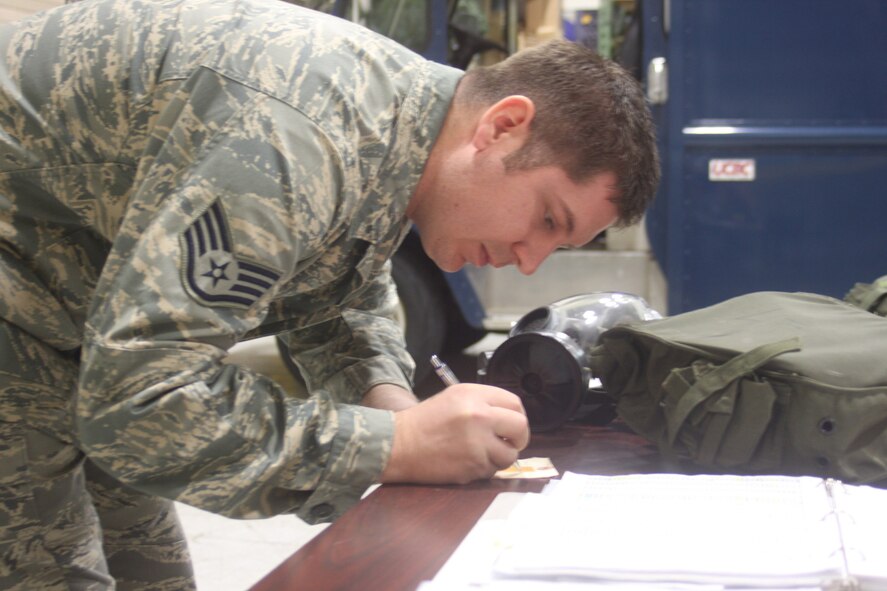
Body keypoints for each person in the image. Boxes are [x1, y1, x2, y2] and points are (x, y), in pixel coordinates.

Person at [0, 0, 659, 588]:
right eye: (546, 218)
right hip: (18, 290)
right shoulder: (290, 138)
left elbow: (337, 288)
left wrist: (394, 407)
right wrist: (394, 446)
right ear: (503, 125)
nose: (528, 262)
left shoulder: (399, 122)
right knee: (49, 564)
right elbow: (139, 406)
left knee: (153, 571)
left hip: (71, 291)